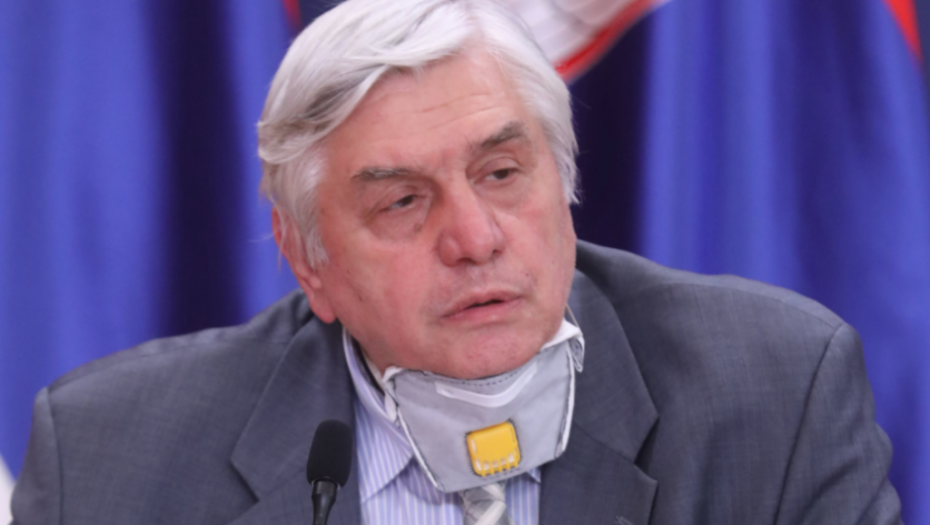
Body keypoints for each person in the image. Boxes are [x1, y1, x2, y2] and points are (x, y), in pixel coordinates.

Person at [11, 0, 901, 523]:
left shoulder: (774, 397)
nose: (475, 237)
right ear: (308, 262)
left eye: (502, 173)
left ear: (563, 181)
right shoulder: (111, 461)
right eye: (402, 200)